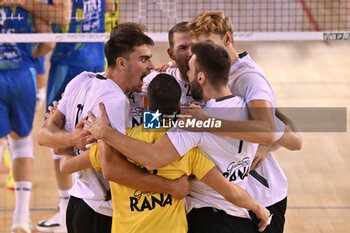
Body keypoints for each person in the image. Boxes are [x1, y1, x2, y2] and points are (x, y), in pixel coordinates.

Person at [85, 42, 271, 233]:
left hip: (207, 218)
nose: (186, 76)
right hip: (242, 217)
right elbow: (282, 136)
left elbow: (152, 158)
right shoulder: (252, 109)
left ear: (201, 77)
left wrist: (106, 133)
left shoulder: (193, 123)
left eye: (188, 70)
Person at [37, 30, 191, 233]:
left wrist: (69, 142)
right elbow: (112, 169)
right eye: (144, 58)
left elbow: (53, 144)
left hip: (78, 202)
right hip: (102, 211)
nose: (151, 66)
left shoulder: (81, 80)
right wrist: (170, 187)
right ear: (121, 63)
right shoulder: (115, 101)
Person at [182, 11, 302, 233]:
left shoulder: (249, 79)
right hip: (233, 199)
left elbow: (284, 136)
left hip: (262, 196)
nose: (202, 51)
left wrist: (208, 123)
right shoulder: (213, 71)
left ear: (227, 39)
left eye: (208, 44)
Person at [37, 1, 116, 232]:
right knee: (93, 126)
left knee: (56, 134)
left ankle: (64, 209)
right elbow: (110, 6)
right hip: (95, 57)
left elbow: (62, 17)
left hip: (68, 61)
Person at [0, 3, 65, 232]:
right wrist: (29, 58)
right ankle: (20, 216)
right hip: (22, 76)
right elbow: (48, 42)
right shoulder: (28, 4)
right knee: (21, 144)